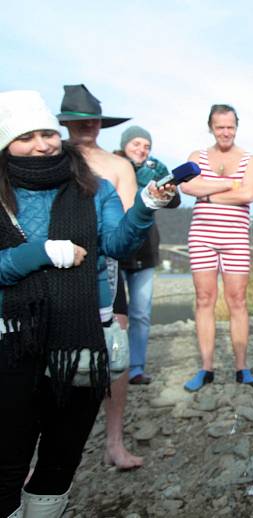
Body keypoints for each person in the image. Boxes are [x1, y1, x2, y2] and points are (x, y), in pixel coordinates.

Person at [0, 90, 173, 517]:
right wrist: (40, 252)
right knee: (7, 461)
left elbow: (117, 242)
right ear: (5, 145)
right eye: (26, 137)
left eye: (46, 133)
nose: (42, 144)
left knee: (62, 458)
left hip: (81, 339)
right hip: (11, 340)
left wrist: (146, 207)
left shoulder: (93, 188)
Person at [57, 84, 143, 469]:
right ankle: (35, 447)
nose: (87, 126)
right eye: (78, 121)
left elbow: (122, 226)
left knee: (117, 353)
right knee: (48, 353)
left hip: (107, 267)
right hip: (56, 266)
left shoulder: (118, 165)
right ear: (66, 125)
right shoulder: (52, 157)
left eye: (92, 119)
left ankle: (114, 441)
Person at [181, 104, 253, 391]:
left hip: (236, 238)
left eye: (230, 126)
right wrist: (229, 185)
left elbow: (249, 193)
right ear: (211, 127)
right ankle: (206, 368)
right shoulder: (196, 156)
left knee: (237, 300)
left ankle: (241, 367)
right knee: (204, 299)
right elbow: (187, 188)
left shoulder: (249, 159)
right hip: (201, 235)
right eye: (220, 127)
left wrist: (209, 192)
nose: (225, 132)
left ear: (236, 127)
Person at [114, 126, 181, 384]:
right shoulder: (113, 163)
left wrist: (167, 182)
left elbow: (174, 202)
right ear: (124, 145)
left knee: (140, 312)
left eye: (146, 145)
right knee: (113, 312)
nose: (142, 149)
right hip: (116, 248)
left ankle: (136, 368)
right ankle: (111, 365)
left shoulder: (154, 169)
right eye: (136, 144)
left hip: (145, 248)